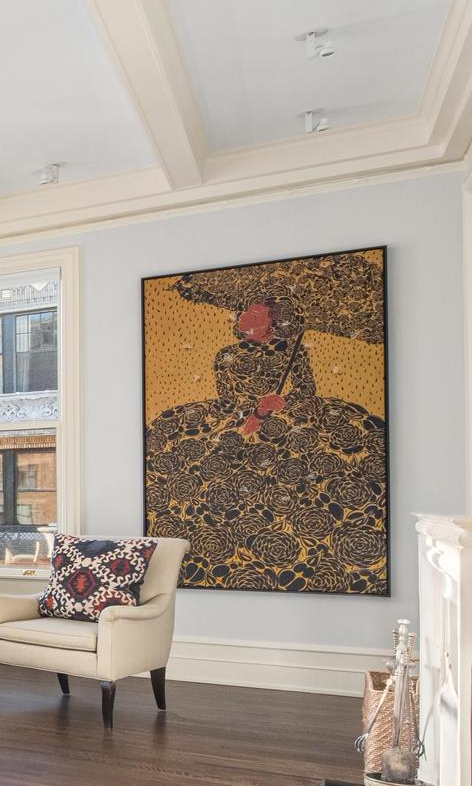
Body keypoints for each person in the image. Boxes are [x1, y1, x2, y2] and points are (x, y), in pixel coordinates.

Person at [143, 251, 386, 594]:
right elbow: (228, 401)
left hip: (288, 417)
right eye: (244, 311)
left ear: (273, 322)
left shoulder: (294, 351)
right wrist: (255, 412)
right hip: (240, 419)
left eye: (254, 313)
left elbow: (307, 393)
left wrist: (283, 403)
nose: (244, 316)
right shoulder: (227, 355)